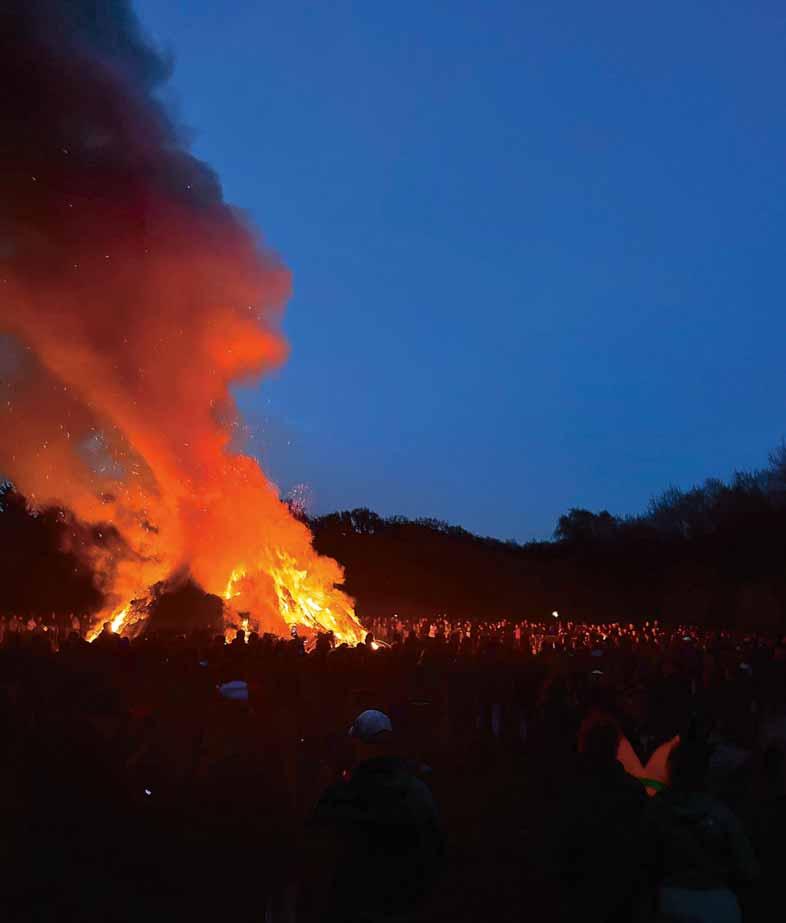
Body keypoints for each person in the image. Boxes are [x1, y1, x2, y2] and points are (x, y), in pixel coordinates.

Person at [309, 709, 443, 922]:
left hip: (352, 909)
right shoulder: (417, 792)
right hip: (406, 907)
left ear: (357, 746)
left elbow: (318, 855)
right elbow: (435, 849)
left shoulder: (339, 795)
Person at [642, 735, 758, 922]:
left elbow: (643, 861)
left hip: (670, 901)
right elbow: (748, 869)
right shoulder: (722, 814)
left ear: (672, 769)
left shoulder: (657, 810)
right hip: (718, 906)